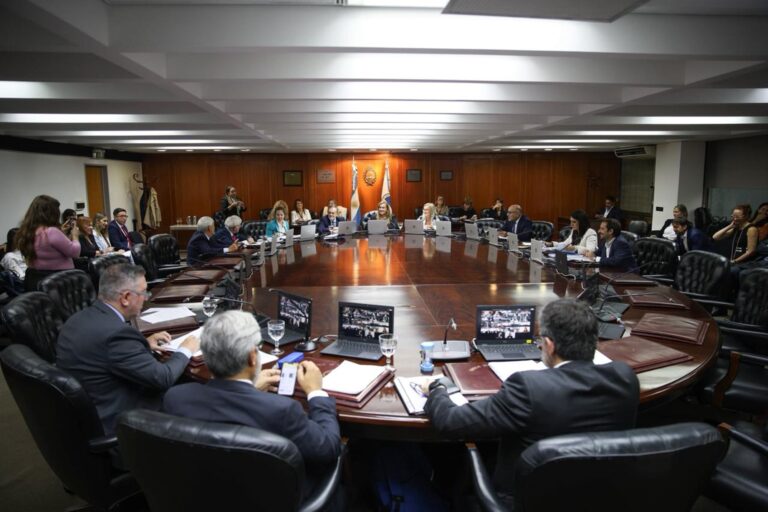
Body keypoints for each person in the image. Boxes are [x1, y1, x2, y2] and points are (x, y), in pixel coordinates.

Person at [422, 299, 639, 497]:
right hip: (599, 495)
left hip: (529, 499)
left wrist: (437, 388)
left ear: (550, 345)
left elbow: (450, 421)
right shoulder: (624, 378)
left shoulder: (528, 388)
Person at [163, 311, 341, 493]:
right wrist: (315, 392)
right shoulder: (282, 411)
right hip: (274, 499)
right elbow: (327, 449)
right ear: (253, 357)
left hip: (201, 494)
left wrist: (249, 391)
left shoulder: (176, 397)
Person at [56, 263, 200, 436]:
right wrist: (185, 349)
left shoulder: (79, 318)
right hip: (120, 421)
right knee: (196, 394)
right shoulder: (116, 335)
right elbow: (164, 378)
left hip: (88, 411)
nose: (146, 298)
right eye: (144, 292)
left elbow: (103, 352)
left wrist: (143, 344)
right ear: (125, 297)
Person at [15, 194, 80, 291]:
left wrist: (61, 233)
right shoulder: (51, 232)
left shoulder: (27, 231)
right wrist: (75, 236)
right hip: (58, 281)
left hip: (35, 279)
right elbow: (75, 252)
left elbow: (47, 247)